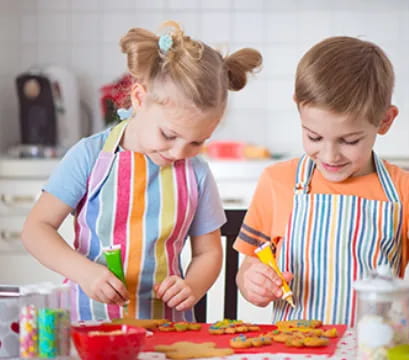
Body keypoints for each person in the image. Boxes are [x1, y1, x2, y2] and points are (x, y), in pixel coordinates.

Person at [22, 20, 262, 322]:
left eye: (197, 142)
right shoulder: (90, 156)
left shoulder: (196, 172)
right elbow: (35, 230)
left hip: (167, 330)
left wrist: (192, 285)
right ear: (139, 98)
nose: (178, 153)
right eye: (169, 135)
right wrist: (84, 272)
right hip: (89, 324)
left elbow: (209, 253)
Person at [234, 36, 409, 326]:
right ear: (298, 108)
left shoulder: (408, 189)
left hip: (372, 350)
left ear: (385, 121)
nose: (329, 155)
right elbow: (248, 268)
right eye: (314, 137)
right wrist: (252, 282)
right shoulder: (278, 181)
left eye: (349, 140)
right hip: (295, 349)